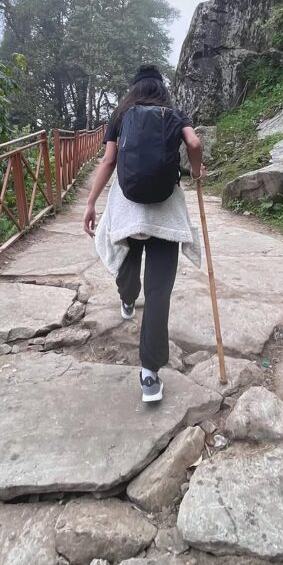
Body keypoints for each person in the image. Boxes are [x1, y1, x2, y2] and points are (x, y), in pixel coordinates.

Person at [83, 65, 204, 403]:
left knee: (127, 256)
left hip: (129, 205)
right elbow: (194, 142)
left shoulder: (121, 114)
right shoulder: (176, 113)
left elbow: (108, 161)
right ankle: (149, 374)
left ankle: (125, 298)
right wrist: (196, 170)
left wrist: (91, 202)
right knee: (159, 291)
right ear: (161, 89)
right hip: (166, 210)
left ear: (134, 88)